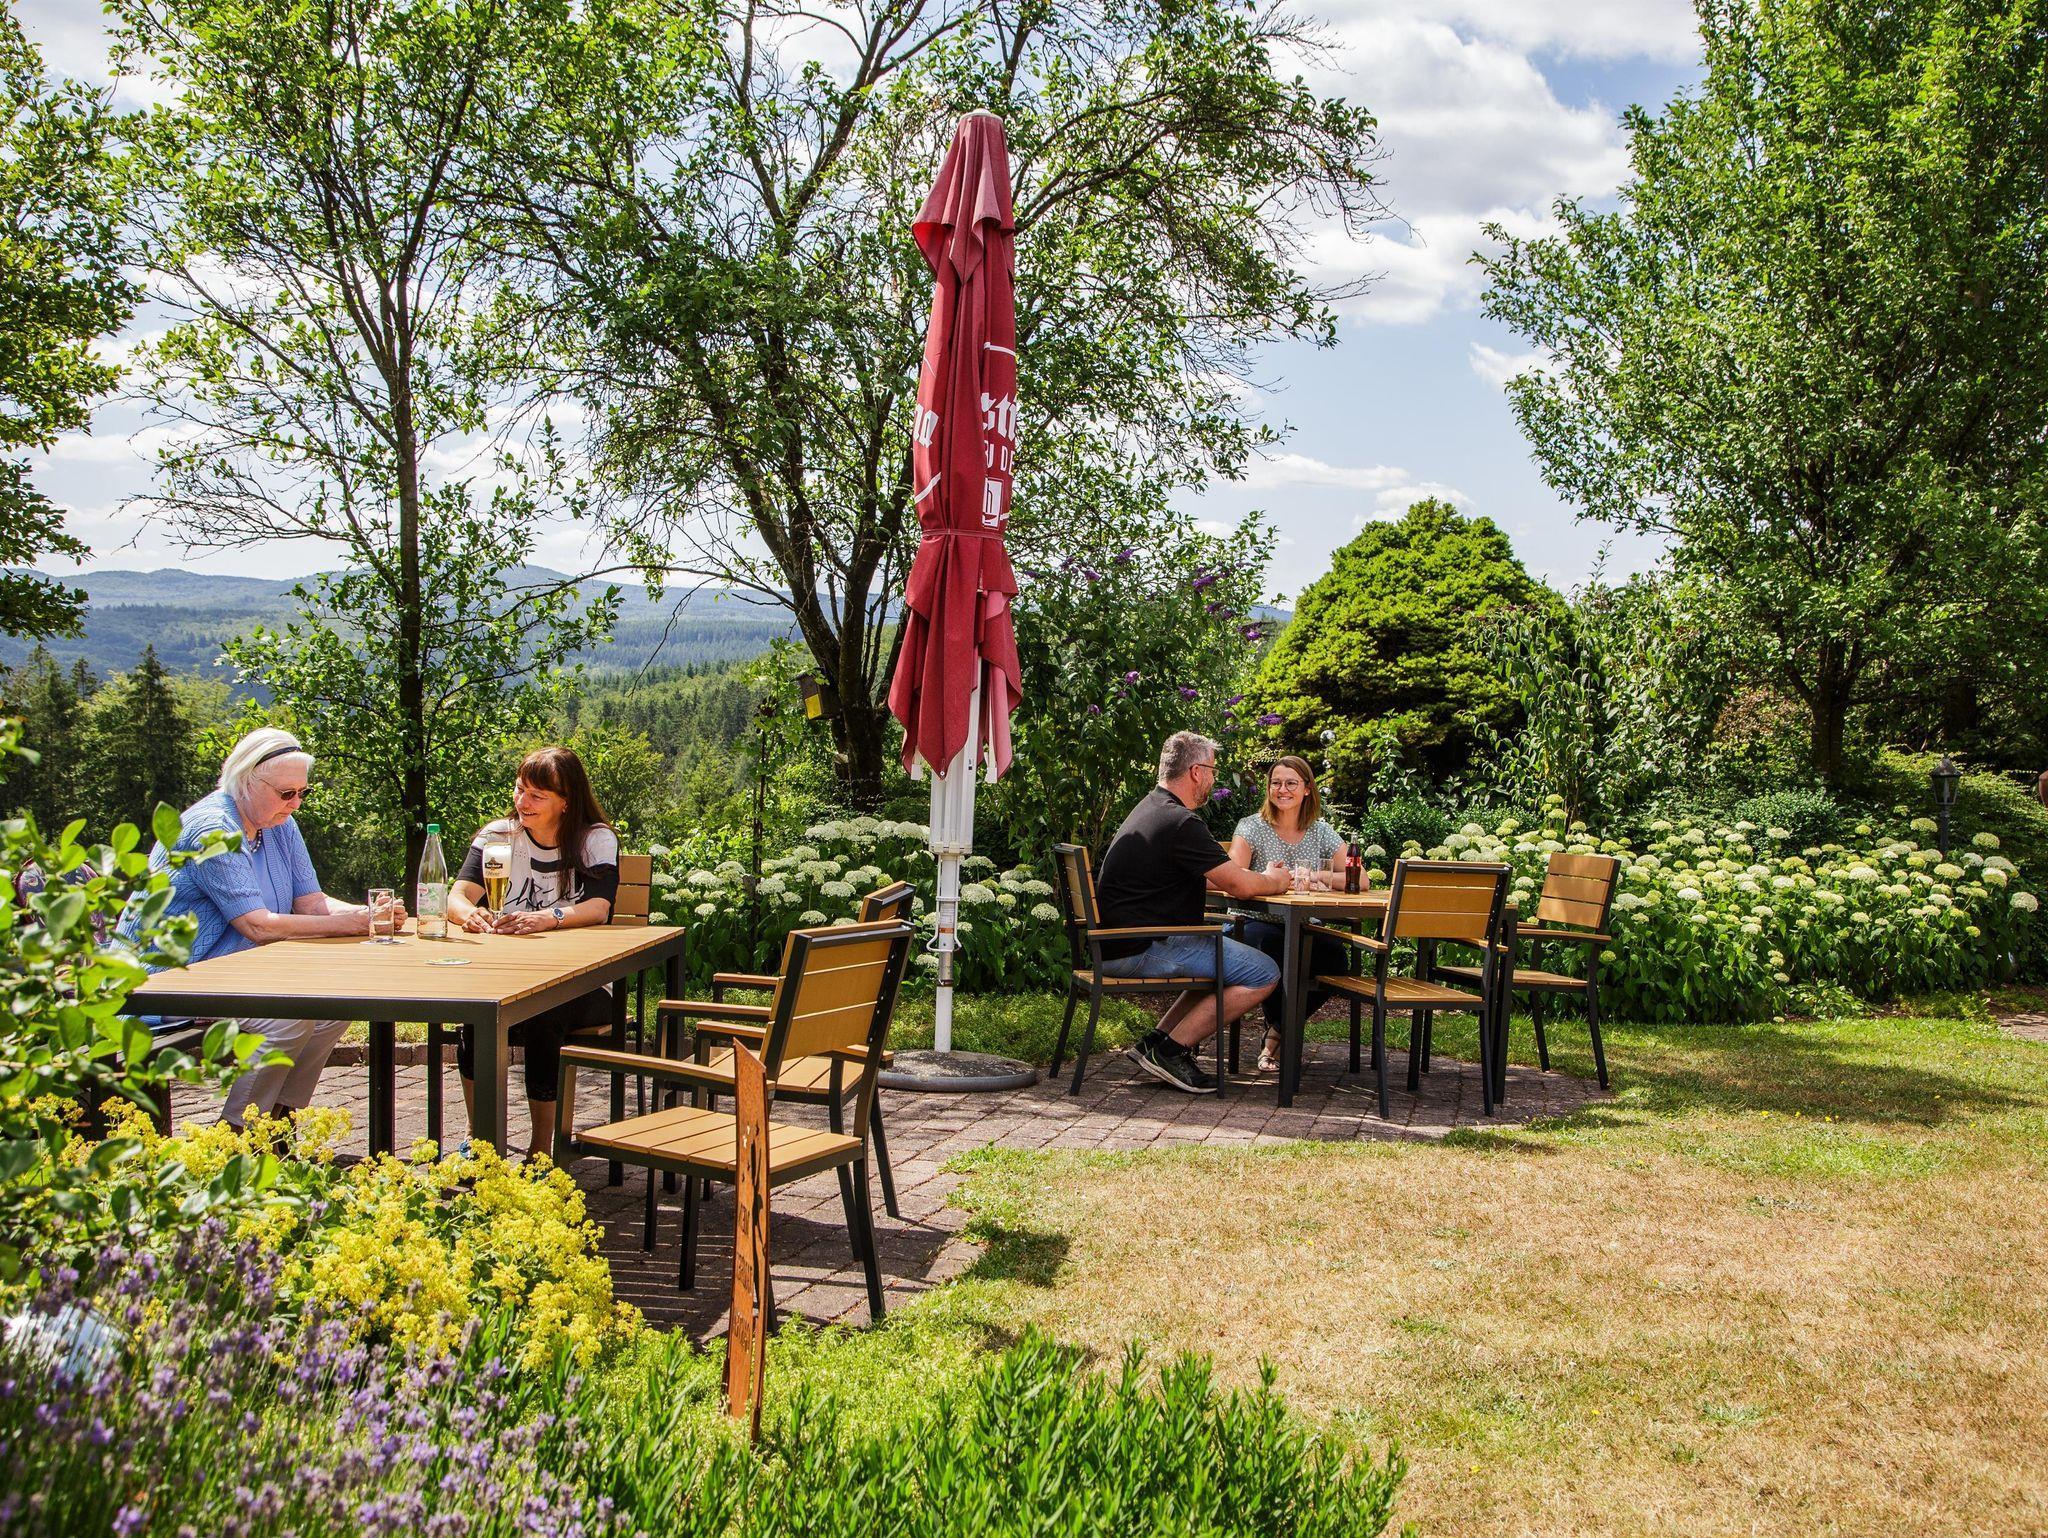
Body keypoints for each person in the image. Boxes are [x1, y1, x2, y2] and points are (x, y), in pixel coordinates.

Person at [132, 726, 403, 1127]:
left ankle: (278, 1121)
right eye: (286, 793)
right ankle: (238, 1133)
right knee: (286, 1020)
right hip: (170, 979)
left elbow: (311, 902)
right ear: (245, 781)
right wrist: (353, 923)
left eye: (302, 792)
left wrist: (371, 914)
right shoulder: (213, 829)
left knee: (335, 1009)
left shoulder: (278, 823)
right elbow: (257, 926)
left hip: (235, 975)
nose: (295, 804)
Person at [1094, 731, 1292, 1093]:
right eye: (1213, 771)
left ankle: (1155, 1042)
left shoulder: (1153, 809)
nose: (1214, 780)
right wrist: (1276, 880)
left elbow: (1217, 877)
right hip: (1142, 946)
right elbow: (1241, 886)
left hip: (1119, 942)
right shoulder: (1180, 821)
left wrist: (1257, 878)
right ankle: (1170, 1052)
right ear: (1196, 772)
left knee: (1221, 963)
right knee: (1263, 972)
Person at [448, 746, 620, 1157]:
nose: (523, 802)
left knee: (546, 1011)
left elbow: (599, 908)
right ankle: (479, 1137)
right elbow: (457, 896)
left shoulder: (594, 839)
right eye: (519, 790)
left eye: (537, 795)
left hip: (585, 983)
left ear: (566, 801)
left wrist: (548, 918)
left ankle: (542, 1147)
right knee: (477, 1011)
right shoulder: (498, 837)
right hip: (508, 977)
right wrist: (471, 916)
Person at [1226, 755, 1351, 1074]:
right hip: (1253, 920)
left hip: (1303, 923)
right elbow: (1232, 874)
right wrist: (1267, 878)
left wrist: (1315, 875)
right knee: (1272, 948)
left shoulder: (1320, 830)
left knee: (1335, 958)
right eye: (1276, 783)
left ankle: (1279, 1029)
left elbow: (1358, 878)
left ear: (1307, 789)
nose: (1282, 789)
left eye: (1291, 783)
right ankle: (1278, 1038)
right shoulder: (1251, 826)